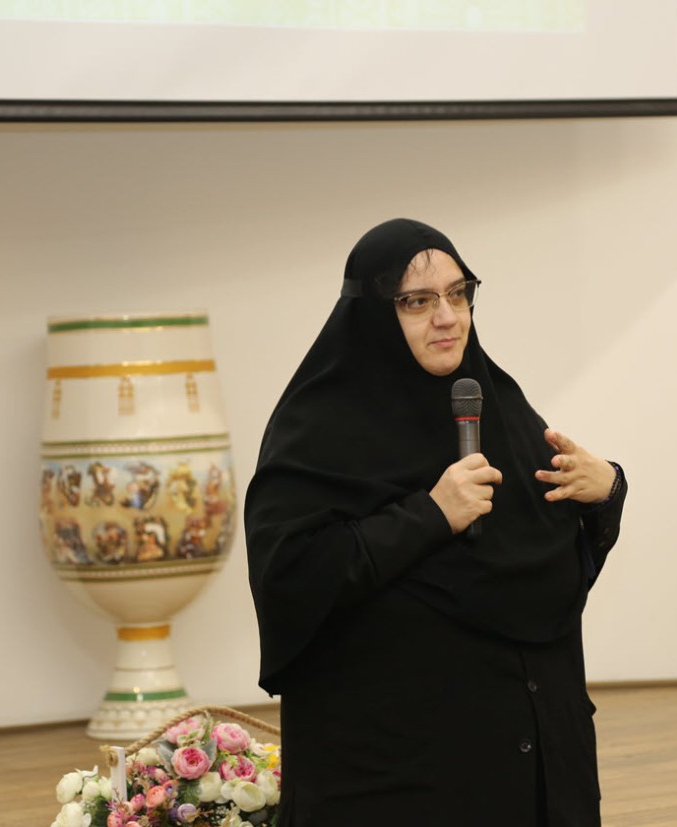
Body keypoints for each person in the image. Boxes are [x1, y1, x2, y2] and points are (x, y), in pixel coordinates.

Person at [245, 218, 627, 826]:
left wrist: (604, 491)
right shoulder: (317, 432)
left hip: (536, 767)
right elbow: (290, 577)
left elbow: (546, 577)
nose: (447, 317)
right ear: (374, 313)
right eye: (417, 301)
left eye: (457, 293)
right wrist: (429, 515)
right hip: (398, 775)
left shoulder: (498, 405)